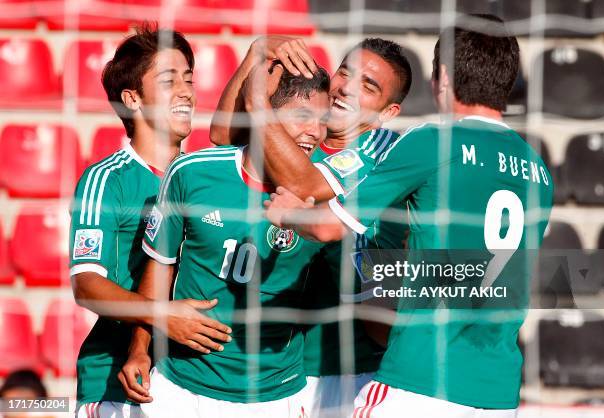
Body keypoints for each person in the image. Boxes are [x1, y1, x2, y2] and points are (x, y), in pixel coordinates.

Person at [266, 14, 554, 418]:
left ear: (443, 80)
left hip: (422, 379)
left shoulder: (433, 141)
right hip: (499, 390)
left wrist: (289, 214)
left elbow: (330, 226)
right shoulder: (538, 169)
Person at [211, 36, 412, 418]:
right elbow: (225, 138)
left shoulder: (386, 151)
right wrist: (256, 53)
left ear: (388, 112)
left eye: (367, 87)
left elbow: (304, 185)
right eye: (345, 73)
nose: (347, 89)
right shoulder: (304, 135)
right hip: (295, 368)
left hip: (362, 368)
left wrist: (259, 108)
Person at [123, 66, 330, 417]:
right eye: (302, 116)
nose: (316, 132)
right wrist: (139, 348)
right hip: (179, 387)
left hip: (274, 396)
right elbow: (160, 267)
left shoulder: (331, 188)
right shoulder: (192, 172)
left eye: (323, 119)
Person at [69, 26, 230, 418]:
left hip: (198, 380)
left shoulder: (205, 179)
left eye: (189, 79)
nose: (186, 91)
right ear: (133, 99)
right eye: (168, 79)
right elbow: (87, 285)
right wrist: (164, 316)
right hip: (118, 384)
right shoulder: (107, 179)